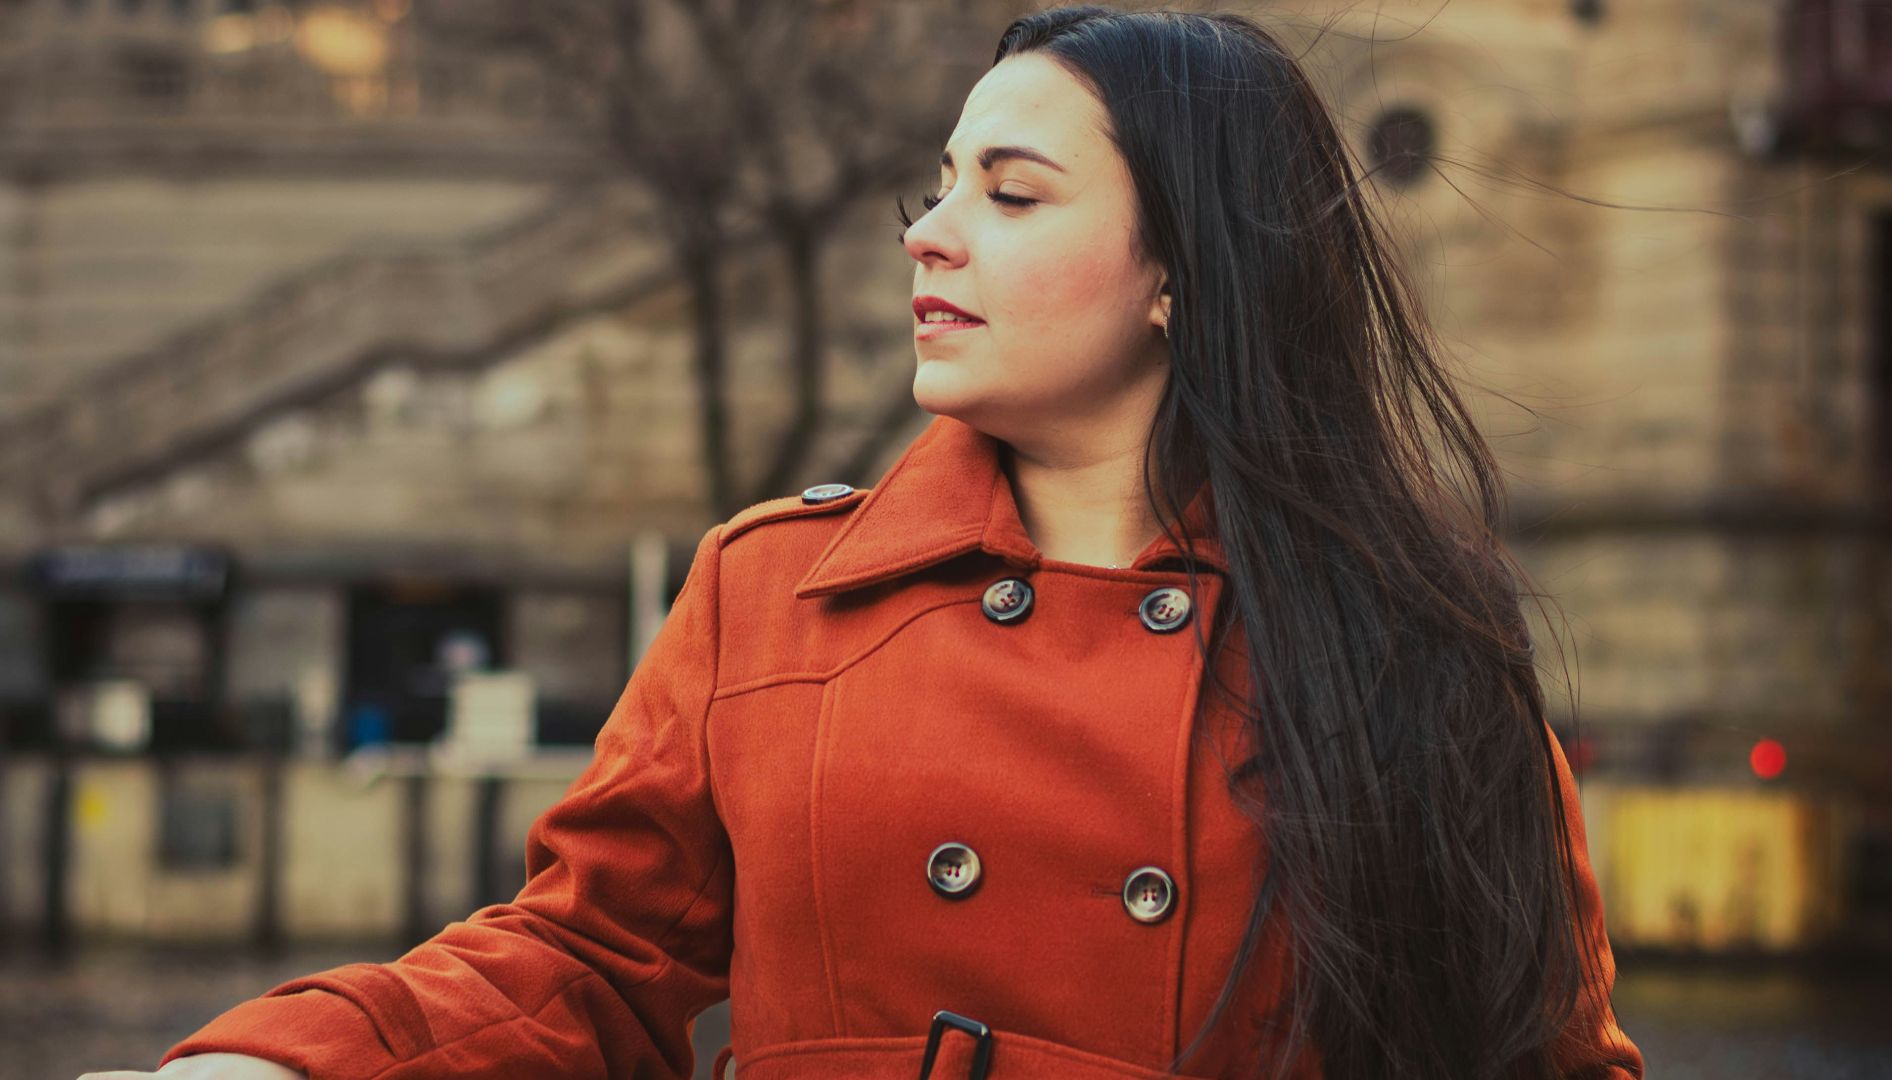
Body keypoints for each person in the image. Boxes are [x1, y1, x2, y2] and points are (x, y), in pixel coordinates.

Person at [81, 6, 1645, 1079]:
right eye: (938, 182)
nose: (929, 229)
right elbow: (588, 963)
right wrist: (277, 1060)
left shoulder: (1419, 647)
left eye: (1011, 194)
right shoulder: (773, 598)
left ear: (1181, 268)